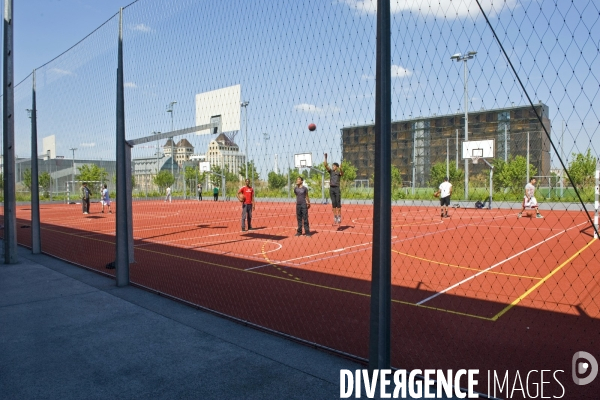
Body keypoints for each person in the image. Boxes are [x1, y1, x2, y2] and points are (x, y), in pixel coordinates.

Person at [324, 153, 343, 224]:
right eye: (332, 166)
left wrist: (341, 168)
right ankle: (335, 216)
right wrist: (325, 157)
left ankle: (339, 216)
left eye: (334, 166)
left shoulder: (338, 173)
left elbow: (342, 174)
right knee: (333, 203)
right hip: (331, 188)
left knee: (338, 203)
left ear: (337, 167)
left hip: (337, 188)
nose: (332, 167)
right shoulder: (331, 172)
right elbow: (325, 165)